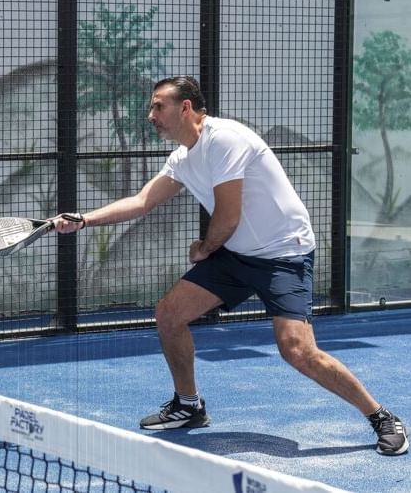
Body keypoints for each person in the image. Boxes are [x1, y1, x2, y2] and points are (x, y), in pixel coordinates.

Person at [52, 75, 408, 456]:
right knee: (170, 314)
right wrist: (84, 219)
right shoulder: (182, 157)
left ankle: (382, 417)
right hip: (237, 253)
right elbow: (142, 202)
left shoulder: (225, 139)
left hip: (283, 254)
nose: (150, 114)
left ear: (185, 107)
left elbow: (228, 215)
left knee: (297, 350)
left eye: (158, 106)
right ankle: (188, 405)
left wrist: (204, 249)